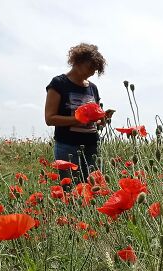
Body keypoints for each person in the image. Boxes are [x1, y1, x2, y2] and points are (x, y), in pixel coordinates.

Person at [45, 43, 113, 182]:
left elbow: (98, 121)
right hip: (67, 146)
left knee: (94, 189)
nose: (93, 71)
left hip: (92, 146)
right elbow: (50, 118)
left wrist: (103, 118)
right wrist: (79, 119)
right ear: (77, 61)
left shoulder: (93, 88)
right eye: (91, 67)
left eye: (95, 69)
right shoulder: (59, 83)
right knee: (71, 192)